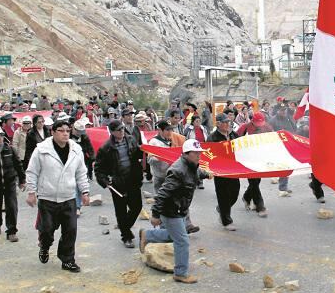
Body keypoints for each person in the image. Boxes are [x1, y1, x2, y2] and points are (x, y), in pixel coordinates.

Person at [139, 139, 214, 284]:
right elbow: (162, 194)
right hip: (171, 209)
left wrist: (206, 174)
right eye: (196, 153)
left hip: (180, 208)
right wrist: (155, 215)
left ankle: (147, 235)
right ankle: (180, 273)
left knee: (174, 235)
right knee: (182, 241)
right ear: (186, 154)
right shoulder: (177, 170)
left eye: (200, 153)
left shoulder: (191, 165)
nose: (199, 156)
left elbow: (197, 172)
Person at [26, 120, 90, 272]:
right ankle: (44, 246)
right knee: (47, 230)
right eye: (61, 131)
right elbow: (32, 171)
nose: (65, 133)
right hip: (47, 198)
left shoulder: (76, 150)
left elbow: (81, 172)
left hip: (68, 197)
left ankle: (67, 260)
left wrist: (85, 191)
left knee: (70, 230)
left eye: (68, 130)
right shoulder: (41, 150)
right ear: (53, 132)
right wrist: (31, 192)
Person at [94, 119, 144, 248]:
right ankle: (126, 236)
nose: (122, 131)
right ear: (112, 132)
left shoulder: (131, 139)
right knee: (121, 211)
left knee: (137, 206)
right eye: (119, 130)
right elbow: (98, 169)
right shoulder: (106, 148)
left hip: (133, 179)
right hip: (117, 183)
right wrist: (105, 182)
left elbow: (138, 153)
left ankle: (124, 227)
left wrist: (145, 151)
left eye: (122, 128)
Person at [237, 112, 273, 217]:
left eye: (261, 122)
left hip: (260, 158)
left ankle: (246, 197)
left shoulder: (267, 127)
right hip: (248, 159)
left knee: (257, 181)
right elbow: (235, 139)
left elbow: (272, 139)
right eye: (257, 122)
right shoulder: (245, 127)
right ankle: (260, 207)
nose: (259, 125)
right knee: (254, 182)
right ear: (252, 121)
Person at [208, 113, 240, 230]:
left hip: (233, 169)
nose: (227, 124)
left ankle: (222, 209)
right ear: (218, 124)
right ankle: (226, 220)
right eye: (225, 122)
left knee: (235, 193)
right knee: (223, 195)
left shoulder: (233, 135)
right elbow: (209, 153)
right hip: (220, 171)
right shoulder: (212, 138)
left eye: (228, 122)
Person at [272, 107, 296, 196]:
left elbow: (292, 130)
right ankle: (282, 187)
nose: (283, 112)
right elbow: (270, 133)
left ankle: (284, 186)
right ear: (277, 111)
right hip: (278, 146)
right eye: (281, 110)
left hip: (287, 145)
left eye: (284, 110)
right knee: (283, 166)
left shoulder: (287, 119)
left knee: (287, 166)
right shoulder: (273, 120)